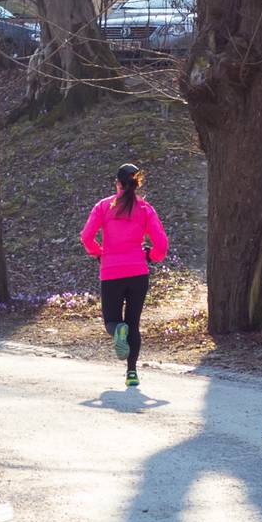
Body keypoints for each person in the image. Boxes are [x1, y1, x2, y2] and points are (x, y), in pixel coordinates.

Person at [80, 162, 168, 385]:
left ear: (117, 183)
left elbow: (86, 237)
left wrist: (99, 253)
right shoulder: (145, 209)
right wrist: (151, 256)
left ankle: (118, 330)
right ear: (137, 184)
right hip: (138, 272)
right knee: (134, 324)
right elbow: (162, 244)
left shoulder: (103, 207)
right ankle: (131, 374)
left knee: (113, 322)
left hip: (111, 272)